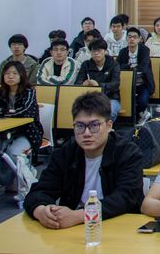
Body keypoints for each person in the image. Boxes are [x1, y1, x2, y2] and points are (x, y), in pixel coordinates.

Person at [24, 92, 143, 229]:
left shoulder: (127, 153)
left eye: (94, 125)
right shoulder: (67, 152)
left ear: (109, 126)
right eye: (80, 126)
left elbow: (125, 198)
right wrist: (41, 211)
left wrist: (79, 216)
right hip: (73, 229)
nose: (86, 133)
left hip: (118, 226)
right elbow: (40, 191)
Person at [0, 61, 43, 187]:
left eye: (15, 73)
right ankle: (10, 181)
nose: (10, 76)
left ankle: (27, 177)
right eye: (7, 73)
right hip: (5, 132)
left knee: (12, 152)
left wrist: (1, 113)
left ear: (21, 75)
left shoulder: (29, 92)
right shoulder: (0, 91)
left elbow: (26, 112)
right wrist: (6, 112)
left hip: (27, 133)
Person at [76, 39, 121, 121]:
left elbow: (115, 84)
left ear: (105, 51)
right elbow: (77, 82)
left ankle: (105, 128)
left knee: (109, 112)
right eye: (93, 51)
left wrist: (98, 85)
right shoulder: (86, 65)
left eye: (99, 50)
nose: (96, 53)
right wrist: (83, 84)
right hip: (90, 99)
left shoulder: (114, 64)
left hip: (110, 98)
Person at [117, 27, 155, 124]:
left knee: (142, 101)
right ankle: (141, 115)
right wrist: (130, 66)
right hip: (127, 84)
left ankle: (138, 115)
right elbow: (117, 67)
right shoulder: (123, 52)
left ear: (139, 39)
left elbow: (143, 67)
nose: (132, 39)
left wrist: (127, 67)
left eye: (134, 37)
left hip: (143, 83)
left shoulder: (145, 50)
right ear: (126, 39)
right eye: (129, 37)